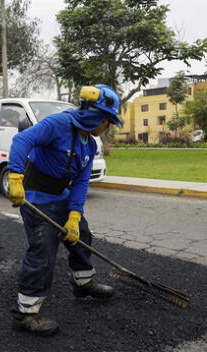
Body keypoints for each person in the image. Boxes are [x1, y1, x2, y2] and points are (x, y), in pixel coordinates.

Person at [7, 84, 123, 336]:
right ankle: (26, 314)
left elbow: (81, 182)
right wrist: (15, 177)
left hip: (61, 195)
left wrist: (73, 215)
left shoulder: (89, 145)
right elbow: (22, 139)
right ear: (95, 115)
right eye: (108, 121)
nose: (108, 127)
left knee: (81, 234)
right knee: (43, 250)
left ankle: (83, 283)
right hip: (37, 197)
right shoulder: (58, 124)